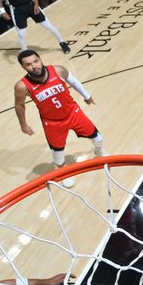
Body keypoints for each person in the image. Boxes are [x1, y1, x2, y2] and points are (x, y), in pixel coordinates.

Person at [14, 50, 104, 188]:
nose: (34, 66)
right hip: (52, 122)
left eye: (36, 61)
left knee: (98, 139)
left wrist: (87, 96)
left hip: (73, 113)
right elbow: (19, 105)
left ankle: (99, 151)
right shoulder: (22, 86)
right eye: (28, 64)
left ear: (40, 59)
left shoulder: (58, 70)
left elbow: (73, 82)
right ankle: (63, 172)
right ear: (23, 67)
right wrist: (23, 125)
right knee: (58, 152)